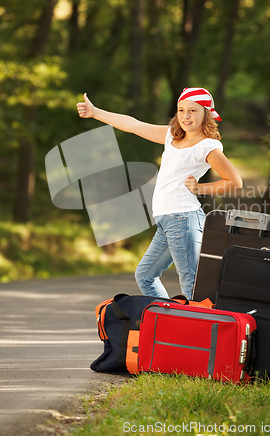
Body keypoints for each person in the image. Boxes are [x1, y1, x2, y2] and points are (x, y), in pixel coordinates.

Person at [77, 87, 242, 300]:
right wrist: (96, 112)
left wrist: (200, 189)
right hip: (166, 219)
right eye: (181, 110)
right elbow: (134, 125)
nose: (185, 116)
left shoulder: (207, 147)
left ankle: (195, 330)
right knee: (145, 276)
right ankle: (168, 321)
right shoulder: (172, 136)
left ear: (206, 114)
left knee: (190, 282)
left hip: (183, 217)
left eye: (193, 110)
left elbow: (234, 181)